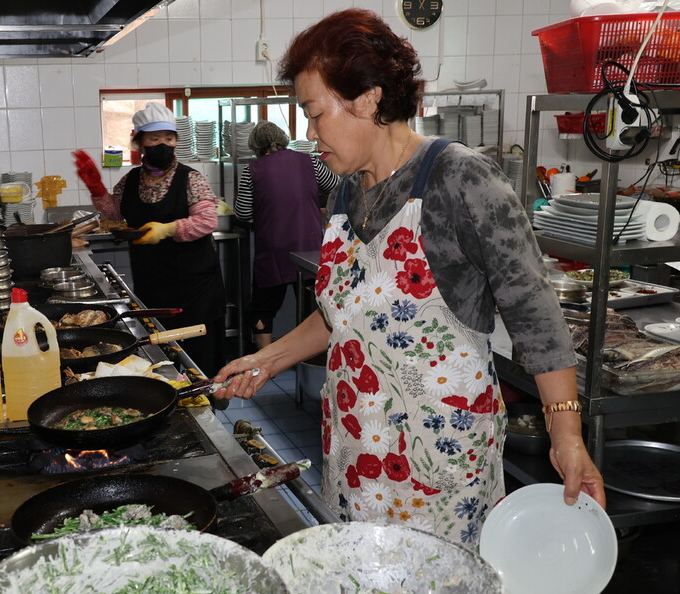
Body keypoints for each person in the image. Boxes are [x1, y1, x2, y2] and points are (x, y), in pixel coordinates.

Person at [212, 9, 605, 547]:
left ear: (368, 99)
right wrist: (266, 359)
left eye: (315, 113)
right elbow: (343, 315)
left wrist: (566, 436)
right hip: (354, 447)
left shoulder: (459, 178)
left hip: (436, 461)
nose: (310, 134)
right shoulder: (345, 192)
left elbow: (536, 315)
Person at [72, 102, 227, 376]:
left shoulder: (190, 179)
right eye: (154, 139)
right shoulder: (131, 180)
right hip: (152, 285)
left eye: (168, 139)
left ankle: (208, 405)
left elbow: (207, 221)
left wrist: (166, 230)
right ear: (139, 143)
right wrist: (95, 188)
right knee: (160, 356)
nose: (162, 145)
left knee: (197, 356)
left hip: (194, 289)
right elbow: (115, 210)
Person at [234, 120, 340, 349]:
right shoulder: (310, 161)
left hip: (273, 248)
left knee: (264, 306)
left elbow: (241, 212)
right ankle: (312, 359)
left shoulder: (252, 170)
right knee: (314, 308)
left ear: (256, 146)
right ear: (283, 139)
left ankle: (263, 363)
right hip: (308, 245)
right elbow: (335, 184)